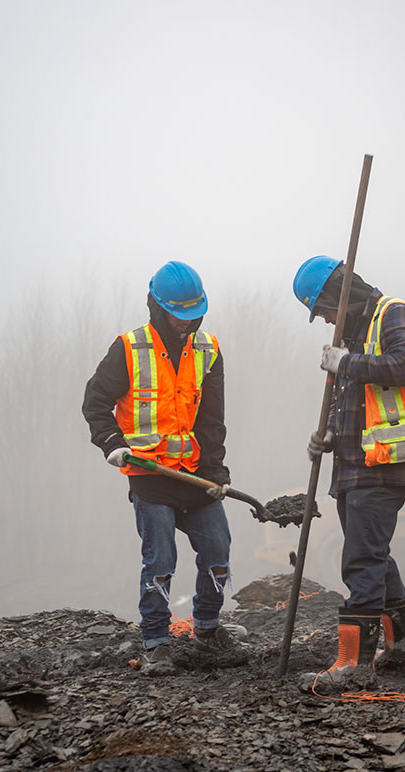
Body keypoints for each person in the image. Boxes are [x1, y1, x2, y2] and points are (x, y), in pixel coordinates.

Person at [293, 255, 405, 689]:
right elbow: (352, 403)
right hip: (356, 465)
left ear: (337, 296)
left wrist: (345, 362)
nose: (325, 319)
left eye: (323, 310)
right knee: (372, 552)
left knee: (361, 557)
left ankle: (353, 666)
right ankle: (401, 651)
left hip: (387, 464)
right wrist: (325, 435)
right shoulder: (355, 334)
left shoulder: (394, 313)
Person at [82, 261, 245, 673]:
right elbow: (95, 404)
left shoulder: (208, 349)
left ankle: (207, 628)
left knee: (218, 549)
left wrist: (216, 472)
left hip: (193, 473)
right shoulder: (129, 348)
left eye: (193, 315)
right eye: (178, 315)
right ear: (158, 307)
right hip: (148, 475)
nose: (186, 324)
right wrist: (112, 445)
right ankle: (156, 641)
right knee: (160, 559)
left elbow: (211, 419)